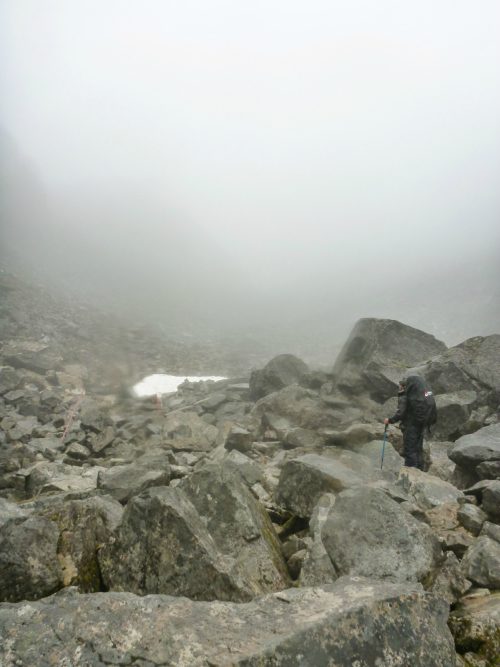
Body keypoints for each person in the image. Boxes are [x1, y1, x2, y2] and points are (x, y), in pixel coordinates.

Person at [384, 375, 427, 470]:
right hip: (420, 425)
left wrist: (390, 420)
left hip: (410, 426)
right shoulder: (417, 396)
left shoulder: (404, 397)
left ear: (403, 387)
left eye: (399, 385)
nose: (398, 387)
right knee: (418, 449)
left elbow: (401, 413)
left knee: (410, 449)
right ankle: (420, 470)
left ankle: (411, 472)